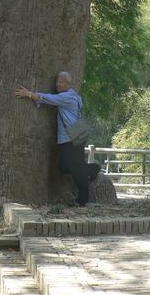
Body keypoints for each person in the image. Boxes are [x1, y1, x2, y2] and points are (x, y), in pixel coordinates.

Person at [15, 71, 100, 206]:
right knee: (66, 166)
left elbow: (50, 99)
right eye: (57, 82)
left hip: (73, 134)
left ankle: (84, 199)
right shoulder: (74, 96)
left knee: (72, 167)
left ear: (68, 84)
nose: (58, 85)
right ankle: (92, 169)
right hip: (78, 131)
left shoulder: (67, 97)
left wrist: (29, 94)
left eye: (61, 82)